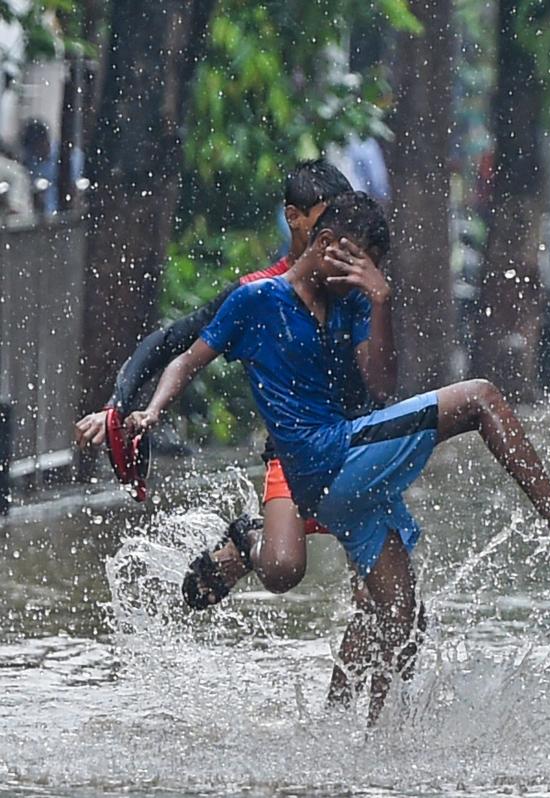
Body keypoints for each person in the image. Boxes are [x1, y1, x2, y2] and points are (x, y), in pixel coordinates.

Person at [124, 192, 550, 724]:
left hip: (349, 477)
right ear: (325, 245)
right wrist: (151, 412)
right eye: (355, 263)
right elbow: (189, 358)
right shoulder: (256, 302)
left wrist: (378, 300)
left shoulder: (348, 303)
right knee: (481, 397)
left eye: (367, 268)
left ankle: (353, 738)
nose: (358, 276)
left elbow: (380, 382)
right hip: (326, 459)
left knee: (402, 619)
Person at [75, 160, 367, 606]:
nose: (338, 236)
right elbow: (174, 343)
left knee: (379, 602)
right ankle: (254, 539)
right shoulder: (257, 294)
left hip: (362, 442)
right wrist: (119, 405)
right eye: (324, 221)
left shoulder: (360, 285)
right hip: (296, 451)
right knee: (284, 569)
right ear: (294, 218)